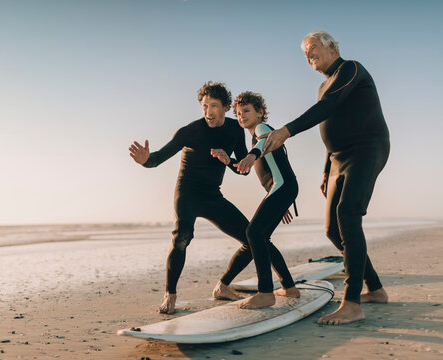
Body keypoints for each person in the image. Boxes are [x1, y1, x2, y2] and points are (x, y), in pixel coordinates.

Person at [258, 30, 390, 324]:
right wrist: (326, 168)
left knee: (348, 213)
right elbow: (330, 124)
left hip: (367, 148)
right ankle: (376, 289)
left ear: (331, 46)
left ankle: (352, 302)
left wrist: (285, 131)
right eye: (304, 54)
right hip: (338, 159)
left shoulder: (351, 69)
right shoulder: (322, 87)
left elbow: (327, 107)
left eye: (312, 48)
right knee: (333, 230)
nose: (308, 56)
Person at [129, 81, 254, 314]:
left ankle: (223, 286)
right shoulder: (190, 131)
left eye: (214, 105)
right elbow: (157, 159)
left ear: (226, 107)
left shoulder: (235, 130)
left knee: (252, 239)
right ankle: (171, 295)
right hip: (187, 193)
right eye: (204, 105)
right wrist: (145, 160)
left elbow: (242, 168)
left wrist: (229, 161)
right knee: (183, 236)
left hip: (212, 195)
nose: (208, 111)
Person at [211, 91, 300, 309]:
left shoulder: (262, 130)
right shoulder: (254, 137)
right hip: (281, 189)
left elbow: (262, 144)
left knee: (253, 233)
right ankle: (289, 287)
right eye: (239, 113)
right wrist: (229, 161)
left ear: (260, 113)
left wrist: (251, 156)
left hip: (282, 188)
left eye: (247, 111)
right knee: (262, 238)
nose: (241, 116)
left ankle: (265, 293)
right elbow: (254, 168)